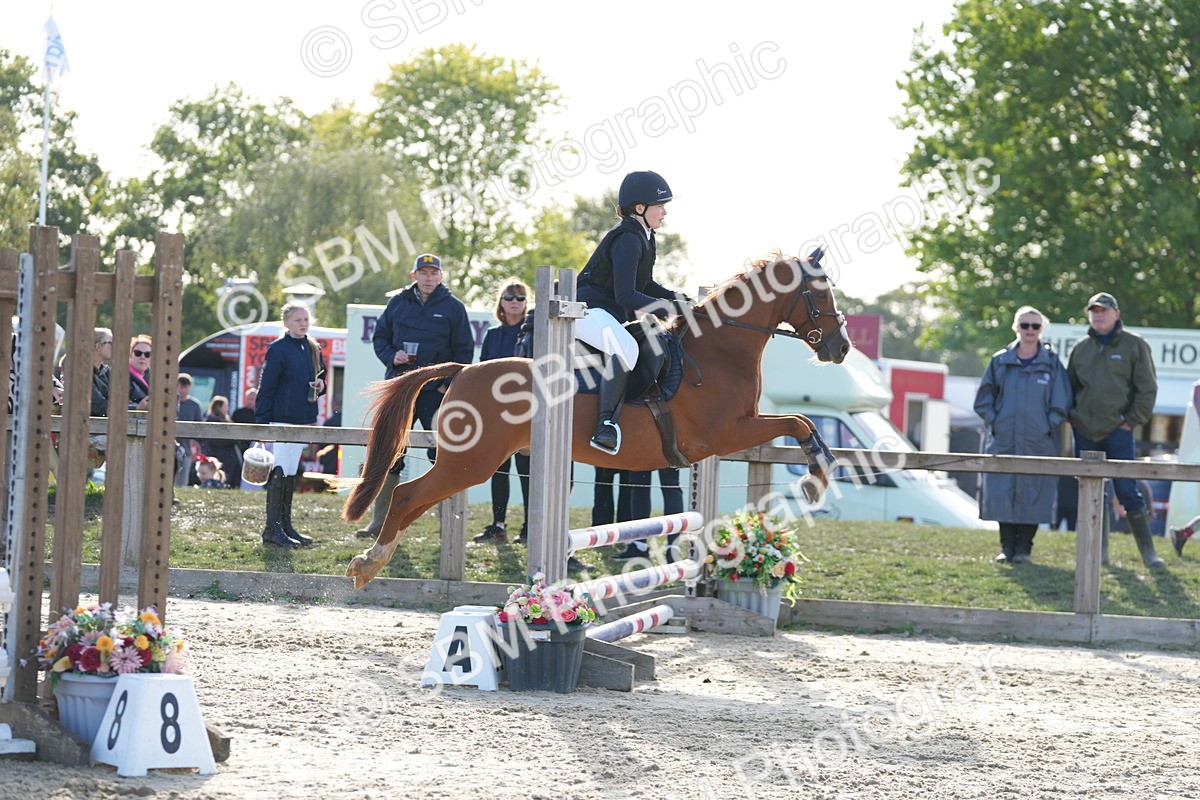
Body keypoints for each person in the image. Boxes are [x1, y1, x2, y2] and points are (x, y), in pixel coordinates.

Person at [356, 253, 473, 539]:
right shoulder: (397, 302)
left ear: (441, 276)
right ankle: (379, 522)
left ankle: (448, 525)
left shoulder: (454, 307)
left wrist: (447, 385)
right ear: (414, 275)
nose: (429, 277)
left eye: (434, 272)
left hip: (436, 393)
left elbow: (464, 351)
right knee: (390, 453)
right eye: (424, 272)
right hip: (399, 388)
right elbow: (380, 338)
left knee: (444, 456)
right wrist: (390, 355)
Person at [576, 170, 689, 455]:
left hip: (605, 312)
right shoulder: (628, 238)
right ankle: (604, 426)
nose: (664, 212)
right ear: (640, 208)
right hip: (586, 311)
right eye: (660, 206)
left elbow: (646, 284)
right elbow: (626, 295)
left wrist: (681, 300)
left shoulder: (644, 235)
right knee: (625, 347)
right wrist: (672, 309)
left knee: (649, 340)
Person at [1067, 292, 1162, 568]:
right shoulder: (1081, 349)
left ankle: (1149, 554)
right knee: (1090, 492)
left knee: (1127, 489)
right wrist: (1073, 417)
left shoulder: (1135, 345)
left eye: (1104, 310)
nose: (1099, 315)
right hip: (1085, 429)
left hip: (1118, 430)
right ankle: (1099, 555)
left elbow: (1147, 389)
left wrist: (1130, 421)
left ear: (1116, 314)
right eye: (1094, 311)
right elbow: (1070, 387)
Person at [974, 306, 1071, 563]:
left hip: (1038, 442)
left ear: (1042, 330)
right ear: (1016, 327)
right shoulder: (999, 362)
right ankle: (1006, 548)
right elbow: (984, 399)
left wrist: (1047, 426)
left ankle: (1024, 550)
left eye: (1035, 326)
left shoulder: (1051, 364)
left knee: (1035, 492)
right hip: (1003, 440)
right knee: (1002, 491)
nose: (1030, 330)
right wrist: (996, 422)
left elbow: (1062, 401)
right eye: (1025, 325)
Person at [255, 302, 326, 548]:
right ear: (286, 323)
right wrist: (262, 423)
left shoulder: (313, 347)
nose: (303, 323)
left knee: (291, 472)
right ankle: (272, 530)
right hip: (281, 418)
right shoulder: (278, 349)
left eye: (306, 319)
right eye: (298, 319)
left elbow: (322, 375)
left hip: (303, 418)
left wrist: (321, 385)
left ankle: (285, 525)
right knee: (281, 471)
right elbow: (267, 387)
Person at [473, 280, 533, 545]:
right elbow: (482, 372)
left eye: (520, 298)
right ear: (501, 302)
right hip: (497, 412)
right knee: (498, 469)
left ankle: (531, 527)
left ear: (526, 303)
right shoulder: (493, 335)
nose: (514, 302)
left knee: (527, 471)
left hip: (526, 412)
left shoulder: (535, 332)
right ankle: (498, 525)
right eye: (509, 297)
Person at [201, 395, 242, 489]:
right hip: (221, 455)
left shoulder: (223, 421)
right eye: (225, 406)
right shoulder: (212, 421)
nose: (227, 409)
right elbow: (219, 441)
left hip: (226, 455)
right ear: (219, 407)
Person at [176, 373, 204, 485]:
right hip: (168, 447)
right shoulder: (168, 402)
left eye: (185, 387)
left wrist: (195, 444)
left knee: (183, 479)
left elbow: (199, 427)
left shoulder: (194, 405)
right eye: (180, 386)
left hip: (186, 448)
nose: (182, 390)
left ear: (189, 387)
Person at [128, 335, 152, 411]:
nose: (142, 357)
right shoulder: (118, 376)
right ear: (131, 355)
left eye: (147, 354)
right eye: (138, 353)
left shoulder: (159, 379)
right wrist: (137, 408)